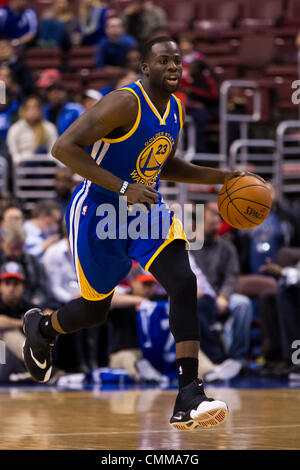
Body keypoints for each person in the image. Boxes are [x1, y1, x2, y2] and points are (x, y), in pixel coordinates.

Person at [22, 36, 261, 430]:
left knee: (183, 283)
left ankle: (189, 394)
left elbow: (162, 163)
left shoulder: (176, 109)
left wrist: (225, 178)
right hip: (98, 212)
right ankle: (43, 327)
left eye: (177, 61)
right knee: (94, 311)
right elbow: (64, 148)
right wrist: (122, 187)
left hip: (146, 211)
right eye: (163, 60)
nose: (173, 67)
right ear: (144, 67)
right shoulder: (124, 102)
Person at [192, 201, 252, 366]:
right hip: (198, 295)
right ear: (198, 224)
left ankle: (237, 358)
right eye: (211, 223)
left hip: (221, 296)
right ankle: (211, 357)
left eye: (217, 222)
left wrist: (224, 296)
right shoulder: (187, 246)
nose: (216, 225)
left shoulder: (227, 247)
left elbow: (232, 276)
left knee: (243, 305)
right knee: (193, 306)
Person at [0, 223, 53, 307]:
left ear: (24, 243)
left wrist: (35, 302)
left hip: (28, 306)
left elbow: (42, 289)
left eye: (20, 248)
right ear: (3, 241)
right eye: (13, 248)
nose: (16, 253)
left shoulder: (32, 261)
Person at [0, 261, 33, 383]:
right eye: (7, 283)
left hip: (10, 361)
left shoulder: (26, 305)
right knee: (8, 331)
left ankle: (27, 370)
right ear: (0, 286)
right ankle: (37, 365)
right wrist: (22, 322)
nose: (11, 288)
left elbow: (43, 314)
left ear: (22, 287)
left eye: (16, 284)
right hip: (2, 357)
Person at [7, 96, 58, 164]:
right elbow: (14, 153)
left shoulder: (49, 127)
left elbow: (53, 152)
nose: (33, 111)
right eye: (29, 108)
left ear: (40, 110)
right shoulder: (15, 128)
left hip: (44, 163)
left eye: (35, 108)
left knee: (41, 151)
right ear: (23, 110)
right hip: (23, 164)